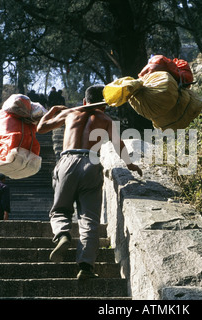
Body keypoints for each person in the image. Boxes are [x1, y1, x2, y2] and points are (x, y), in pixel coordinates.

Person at [37, 84, 142, 279]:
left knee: (60, 209)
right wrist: (131, 165)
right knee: (89, 218)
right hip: (92, 162)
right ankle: (86, 266)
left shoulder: (71, 113)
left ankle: (62, 234)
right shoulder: (106, 119)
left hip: (67, 160)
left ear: (85, 101)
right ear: (105, 104)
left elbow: (41, 128)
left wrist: (51, 111)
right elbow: (119, 146)